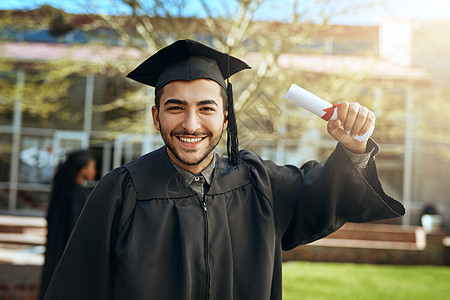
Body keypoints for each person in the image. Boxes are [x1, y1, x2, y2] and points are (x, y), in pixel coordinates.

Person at [43, 39, 404, 300]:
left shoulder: (257, 182)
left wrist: (353, 147)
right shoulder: (121, 192)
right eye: (175, 108)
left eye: (206, 108)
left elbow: (325, 193)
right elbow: (77, 287)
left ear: (225, 117)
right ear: (156, 117)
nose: (191, 123)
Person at [39, 149, 97, 299]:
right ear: (82, 169)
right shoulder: (79, 194)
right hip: (71, 258)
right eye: (92, 167)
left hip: (56, 253)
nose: (94, 171)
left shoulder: (62, 192)